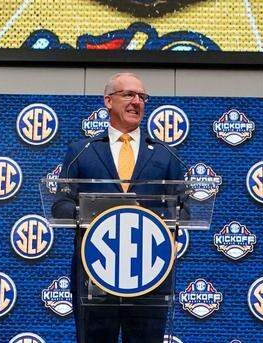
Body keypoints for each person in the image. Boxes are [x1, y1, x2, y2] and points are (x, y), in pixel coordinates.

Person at [54, 72, 186, 343]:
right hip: (96, 275)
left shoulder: (165, 153)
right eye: (128, 94)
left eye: (142, 97)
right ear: (108, 101)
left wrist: (152, 217)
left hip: (150, 276)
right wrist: (93, 213)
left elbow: (183, 210)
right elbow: (61, 205)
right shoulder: (82, 150)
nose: (136, 101)